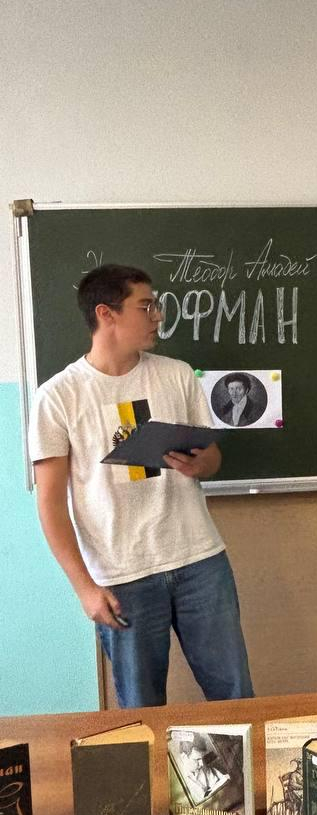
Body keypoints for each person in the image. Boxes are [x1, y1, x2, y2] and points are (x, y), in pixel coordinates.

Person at [28, 264, 254, 708]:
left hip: (199, 560)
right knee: (141, 707)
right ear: (106, 313)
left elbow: (211, 458)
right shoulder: (58, 396)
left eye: (156, 305)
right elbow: (50, 505)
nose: (158, 316)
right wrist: (84, 588)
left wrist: (203, 463)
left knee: (235, 696)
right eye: (146, 306)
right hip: (122, 575)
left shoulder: (177, 374)